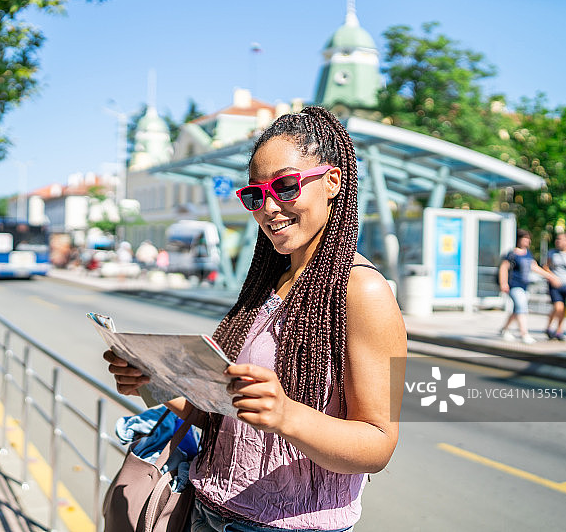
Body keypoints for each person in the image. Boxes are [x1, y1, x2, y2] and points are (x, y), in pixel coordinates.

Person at [104, 107, 406, 531]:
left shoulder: (364, 291)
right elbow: (218, 414)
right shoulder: (268, 283)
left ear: (333, 181)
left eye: (285, 186)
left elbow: (378, 443)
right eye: (255, 195)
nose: (269, 207)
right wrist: (148, 381)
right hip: (205, 511)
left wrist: (286, 414)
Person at [498, 229, 559, 344]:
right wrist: (503, 283)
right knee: (522, 307)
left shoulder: (528, 254)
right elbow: (503, 268)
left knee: (517, 309)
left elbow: (534, 267)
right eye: (525, 238)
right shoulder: (512, 254)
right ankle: (524, 334)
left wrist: (551, 277)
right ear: (519, 239)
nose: (527, 241)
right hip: (513, 285)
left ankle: (504, 329)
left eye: (528, 239)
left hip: (524, 285)